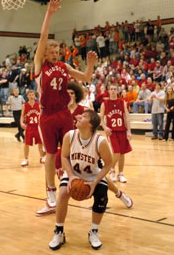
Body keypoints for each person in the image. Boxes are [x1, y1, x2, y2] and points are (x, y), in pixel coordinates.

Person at [34, 0, 97, 215]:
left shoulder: (63, 66)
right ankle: (50, 191)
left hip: (63, 114)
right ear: (44, 54)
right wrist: (49, 14)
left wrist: (90, 64)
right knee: (51, 154)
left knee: (68, 153)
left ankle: (72, 182)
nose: (55, 53)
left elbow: (87, 76)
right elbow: (43, 37)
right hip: (47, 116)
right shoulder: (40, 65)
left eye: (57, 51)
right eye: (51, 51)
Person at [49, 110, 112, 251]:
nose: (78, 116)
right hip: (74, 173)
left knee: (102, 196)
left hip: (92, 175)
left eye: (83, 116)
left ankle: (94, 232)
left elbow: (108, 163)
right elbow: (64, 157)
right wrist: (71, 176)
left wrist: (95, 182)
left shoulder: (99, 141)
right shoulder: (69, 136)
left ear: (90, 124)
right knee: (63, 193)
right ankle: (59, 231)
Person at [100, 83, 132, 183]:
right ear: (109, 91)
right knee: (116, 153)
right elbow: (100, 118)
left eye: (115, 89)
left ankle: (120, 173)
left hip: (122, 130)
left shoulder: (122, 102)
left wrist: (129, 131)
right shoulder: (104, 104)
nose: (113, 91)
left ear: (117, 91)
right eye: (111, 89)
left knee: (122, 153)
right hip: (112, 132)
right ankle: (111, 169)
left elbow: (126, 117)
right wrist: (105, 127)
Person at [20, 90, 45, 167]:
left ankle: (42, 157)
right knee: (26, 144)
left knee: (40, 143)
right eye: (30, 94)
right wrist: (21, 122)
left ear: (35, 96)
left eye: (33, 94)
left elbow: (43, 114)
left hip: (37, 126)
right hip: (29, 126)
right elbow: (22, 115)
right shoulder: (25, 105)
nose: (31, 96)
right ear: (27, 96)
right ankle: (26, 159)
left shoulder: (38, 104)